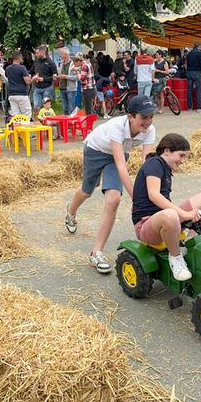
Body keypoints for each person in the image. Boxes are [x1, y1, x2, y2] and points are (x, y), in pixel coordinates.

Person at [65, 95, 157, 274]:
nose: (148, 121)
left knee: (113, 199)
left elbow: (146, 165)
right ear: (131, 116)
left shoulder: (150, 130)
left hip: (118, 157)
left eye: (151, 116)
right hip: (95, 151)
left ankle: (96, 252)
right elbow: (122, 166)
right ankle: (71, 212)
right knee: (86, 192)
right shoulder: (117, 127)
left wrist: (150, 191)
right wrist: (137, 199)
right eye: (143, 117)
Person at [131, 133, 201, 280]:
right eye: (181, 155)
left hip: (166, 218)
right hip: (146, 224)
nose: (183, 161)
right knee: (171, 214)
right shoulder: (155, 163)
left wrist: (191, 215)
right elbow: (154, 195)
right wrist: (184, 214)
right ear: (167, 151)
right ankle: (176, 257)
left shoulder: (165, 168)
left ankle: (190, 240)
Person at [5, 51, 32, 118]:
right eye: (22, 57)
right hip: (22, 94)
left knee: (16, 116)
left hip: (12, 94)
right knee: (27, 115)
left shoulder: (8, 68)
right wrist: (33, 78)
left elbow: (8, 77)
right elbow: (27, 81)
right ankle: (26, 127)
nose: (22, 59)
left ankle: (17, 128)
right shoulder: (22, 68)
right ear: (19, 58)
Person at [31, 45, 58, 113]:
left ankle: (46, 122)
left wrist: (43, 79)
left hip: (47, 88)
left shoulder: (51, 63)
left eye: (37, 53)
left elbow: (55, 76)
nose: (36, 55)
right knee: (36, 107)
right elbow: (31, 71)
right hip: (37, 88)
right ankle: (40, 121)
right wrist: (33, 76)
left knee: (46, 108)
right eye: (35, 53)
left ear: (43, 52)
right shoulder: (36, 61)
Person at [185, 43, 201, 112]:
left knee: (189, 90)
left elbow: (186, 64)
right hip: (197, 72)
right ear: (199, 47)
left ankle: (189, 107)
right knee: (198, 90)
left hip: (189, 72)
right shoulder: (199, 53)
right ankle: (199, 107)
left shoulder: (189, 54)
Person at [57, 48, 78, 114]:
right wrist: (58, 77)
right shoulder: (61, 64)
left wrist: (66, 77)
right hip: (62, 88)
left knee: (72, 107)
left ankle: (73, 122)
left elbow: (77, 77)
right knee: (65, 108)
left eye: (61, 54)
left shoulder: (73, 64)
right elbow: (60, 74)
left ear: (65, 54)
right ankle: (66, 122)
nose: (60, 56)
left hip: (71, 89)